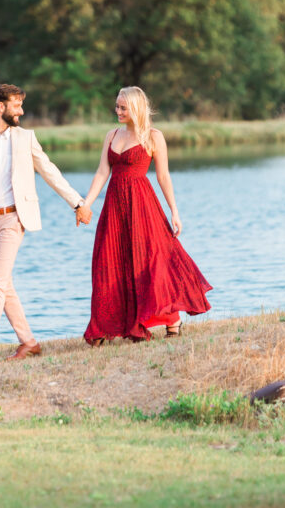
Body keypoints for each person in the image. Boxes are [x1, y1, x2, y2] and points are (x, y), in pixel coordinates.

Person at [0, 83, 92, 363]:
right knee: (4, 286)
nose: (22, 111)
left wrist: (78, 203)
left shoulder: (26, 138)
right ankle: (29, 343)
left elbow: (49, 170)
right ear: (0, 106)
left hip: (13, 219)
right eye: (17, 105)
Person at [83, 86, 211, 344]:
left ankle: (171, 318)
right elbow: (101, 173)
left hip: (142, 204)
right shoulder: (111, 135)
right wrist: (85, 203)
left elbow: (163, 176)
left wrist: (175, 212)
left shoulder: (154, 137)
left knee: (152, 261)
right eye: (117, 106)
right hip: (114, 206)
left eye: (123, 107)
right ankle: (105, 325)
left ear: (136, 108)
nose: (117, 111)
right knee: (110, 262)